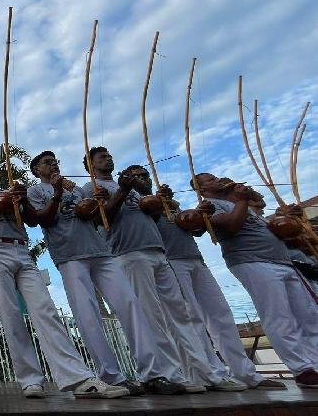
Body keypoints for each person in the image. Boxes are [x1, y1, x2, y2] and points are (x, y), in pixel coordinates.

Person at [81, 150, 245, 392]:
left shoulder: (131, 187)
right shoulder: (91, 188)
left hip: (157, 251)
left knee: (182, 315)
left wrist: (161, 199)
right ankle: (167, 373)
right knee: (152, 316)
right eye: (101, 157)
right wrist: (124, 191)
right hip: (129, 253)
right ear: (89, 165)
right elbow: (102, 220)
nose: (108, 158)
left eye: (109, 155)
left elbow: (154, 215)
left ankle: (202, 373)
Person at [0, 153, 127, 399]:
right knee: (10, 314)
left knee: (46, 310)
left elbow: (32, 221)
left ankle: (77, 377)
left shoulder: (10, 189)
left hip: (21, 247)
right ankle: (30, 379)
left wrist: (22, 201)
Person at [27, 151, 186, 396]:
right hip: (70, 256)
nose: (54, 164)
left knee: (130, 305)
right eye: (47, 162)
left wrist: (95, 203)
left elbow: (92, 217)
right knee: (88, 315)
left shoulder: (77, 189)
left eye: (55, 160)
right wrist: (58, 193)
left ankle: (153, 374)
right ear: (37, 170)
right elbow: (45, 220)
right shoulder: (36, 191)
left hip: (101, 251)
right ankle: (111, 376)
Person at [195, 173, 318, 388]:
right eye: (210, 180)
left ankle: (315, 363)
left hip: (282, 261)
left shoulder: (240, 204)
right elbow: (232, 226)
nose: (217, 181)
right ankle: (302, 369)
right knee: (279, 315)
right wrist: (241, 200)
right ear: (201, 189)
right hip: (252, 261)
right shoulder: (208, 207)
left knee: (308, 314)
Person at [156, 189, 283, 390]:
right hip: (171, 260)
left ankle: (245, 373)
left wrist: (199, 214)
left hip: (195, 259)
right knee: (192, 317)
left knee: (221, 314)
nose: (143, 178)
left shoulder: (173, 203)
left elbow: (195, 230)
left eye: (145, 175)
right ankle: (210, 374)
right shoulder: (146, 204)